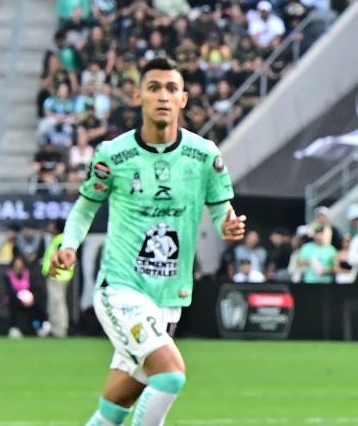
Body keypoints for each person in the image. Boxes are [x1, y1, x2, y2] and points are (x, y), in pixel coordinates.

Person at [50, 54, 247, 426]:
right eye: (153, 88)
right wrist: (69, 245)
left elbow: (223, 213)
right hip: (121, 289)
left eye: (171, 88)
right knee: (170, 375)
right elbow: (85, 206)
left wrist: (229, 227)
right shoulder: (114, 154)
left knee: (114, 408)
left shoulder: (204, 156)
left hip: (169, 298)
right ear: (138, 96)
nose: (162, 96)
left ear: (182, 99)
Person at [40, 219, 71, 337]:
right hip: (57, 275)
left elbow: (59, 257)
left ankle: (60, 330)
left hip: (58, 275)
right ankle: (56, 328)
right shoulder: (60, 238)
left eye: (52, 225)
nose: (49, 227)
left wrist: (52, 269)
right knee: (55, 303)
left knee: (57, 303)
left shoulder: (61, 239)